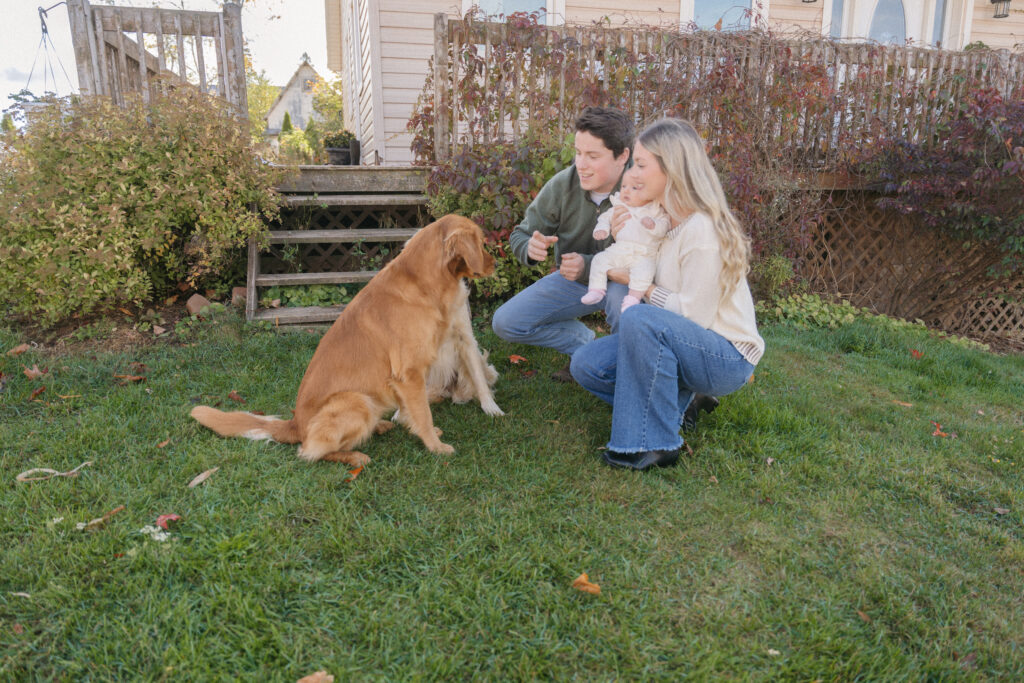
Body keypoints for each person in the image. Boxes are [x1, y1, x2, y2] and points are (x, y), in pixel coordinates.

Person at [570, 118, 765, 471]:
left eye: (642, 164)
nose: (633, 173)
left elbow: (692, 316)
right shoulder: (661, 220)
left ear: (672, 169)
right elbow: (635, 264)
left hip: (724, 354)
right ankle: (681, 400)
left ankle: (654, 442)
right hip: (682, 341)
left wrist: (642, 288)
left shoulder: (701, 231)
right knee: (587, 364)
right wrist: (622, 238)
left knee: (640, 319)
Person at [491, 106, 634, 381]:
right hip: (575, 283)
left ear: (622, 156)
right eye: (578, 153)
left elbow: (648, 256)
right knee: (506, 323)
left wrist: (587, 266)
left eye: (593, 156)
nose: (581, 164)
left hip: (626, 282)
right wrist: (530, 249)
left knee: (623, 303)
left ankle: (631, 374)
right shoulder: (563, 185)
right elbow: (520, 235)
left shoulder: (641, 185)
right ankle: (588, 348)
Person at [580, 178, 671, 312]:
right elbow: (605, 218)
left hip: (643, 254)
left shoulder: (655, 210)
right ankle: (596, 289)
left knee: (644, 271)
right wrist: (602, 229)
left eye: (634, 188)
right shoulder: (620, 206)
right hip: (619, 250)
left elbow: (664, 226)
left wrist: (653, 225)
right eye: (624, 186)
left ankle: (633, 298)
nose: (626, 190)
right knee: (599, 259)